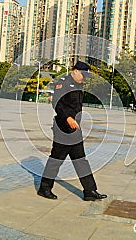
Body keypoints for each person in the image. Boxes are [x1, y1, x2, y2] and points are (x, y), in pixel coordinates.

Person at [38, 61, 107, 201]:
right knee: (56, 160)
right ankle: (44, 188)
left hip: (75, 130)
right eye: (83, 75)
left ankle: (90, 191)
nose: (84, 78)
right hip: (62, 129)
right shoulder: (63, 83)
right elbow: (56, 102)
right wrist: (68, 118)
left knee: (81, 160)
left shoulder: (78, 85)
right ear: (75, 70)